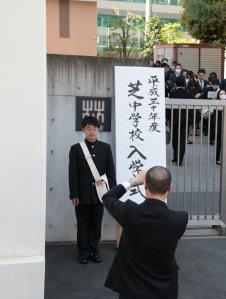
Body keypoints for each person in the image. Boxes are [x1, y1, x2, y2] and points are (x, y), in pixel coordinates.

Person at [103, 167, 188, 299]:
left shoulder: (130, 213)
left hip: (132, 289)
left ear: (145, 186)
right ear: (170, 187)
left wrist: (133, 181)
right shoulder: (180, 219)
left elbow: (107, 197)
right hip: (165, 289)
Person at [69, 116, 116, 264]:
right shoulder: (76, 149)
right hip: (81, 194)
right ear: (83, 130)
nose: (92, 132)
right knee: (82, 224)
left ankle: (94, 251)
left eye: (95, 129)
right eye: (88, 128)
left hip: (100, 194)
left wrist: (112, 193)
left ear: (98, 130)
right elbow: (72, 173)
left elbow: (111, 172)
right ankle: (83, 253)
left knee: (96, 224)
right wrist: (74, 194)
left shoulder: (105, 148)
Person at [169, 77, 194, 166]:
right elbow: (192, 108)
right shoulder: (189, 94)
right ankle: (180, 159)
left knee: (175, 138)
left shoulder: (172, 93)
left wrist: (168, 118)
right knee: (183, 139)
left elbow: (169, 108)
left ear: (175, 84)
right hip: (185, 120)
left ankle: (175, 157)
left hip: (174, 119)